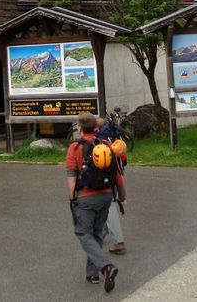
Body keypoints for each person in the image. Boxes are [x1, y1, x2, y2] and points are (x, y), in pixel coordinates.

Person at [66, 111, 125, 293]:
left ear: (80, 128)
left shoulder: (75, 147)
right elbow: (116, 172)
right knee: (97, 233)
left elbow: (71, 176)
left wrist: (72, 197)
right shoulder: (105, 144)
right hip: (106, 195)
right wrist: (121, 195)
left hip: (86, 197)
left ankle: (105, 266)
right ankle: (92, 274)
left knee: (83, 233)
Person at [94, 117, 126, 255]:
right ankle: (103, 232)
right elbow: (118, 170)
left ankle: (119, 242)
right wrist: (122, 193)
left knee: (109, 208)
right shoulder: (111, 139)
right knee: (106, 207)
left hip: (103, 182)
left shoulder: (97, 142)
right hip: (113, 178)